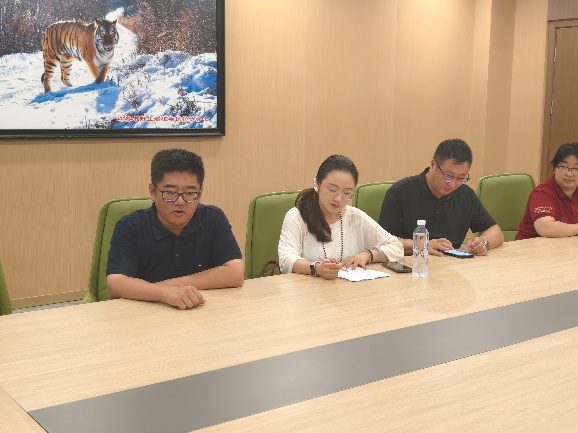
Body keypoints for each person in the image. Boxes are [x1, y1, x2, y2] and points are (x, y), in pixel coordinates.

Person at [106, 149, 244, 309]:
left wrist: (167, 287)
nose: (180, 201)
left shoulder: (213, 218)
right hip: (146, 312)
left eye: (190, 193)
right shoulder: (130, 226)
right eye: (170, 193)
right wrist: (163, 293)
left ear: (200, 193)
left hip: (201, 311)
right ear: (152, 191)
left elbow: (235, 273)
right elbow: (115, 284)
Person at [278, 155, 404, 279]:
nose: (338, 199)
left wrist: (367, 255)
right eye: (332, 190)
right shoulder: (297, 217)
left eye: (346, 193)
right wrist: (317, 269)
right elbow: (286, 260)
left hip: (348, 290)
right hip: (307, 289)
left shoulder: (355, 217)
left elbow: (396, 247)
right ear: (317, 184)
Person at [378, 138, 504, 256]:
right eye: (448, 176)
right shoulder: (400, 192)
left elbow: (495, 231)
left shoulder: (466, 195)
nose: (453, 184)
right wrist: (422, 245)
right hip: (412, 264)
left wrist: (484, 243)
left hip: (451, 264)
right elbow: (383, 240)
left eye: (461, 178)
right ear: (433, 164)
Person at [516, 142, 578, 240]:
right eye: (564, 167)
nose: (569, 174)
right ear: (554, 168)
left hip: (566, 247)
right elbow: (546, 228)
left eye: (576, 168)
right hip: (531, 248)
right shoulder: (541, 193)